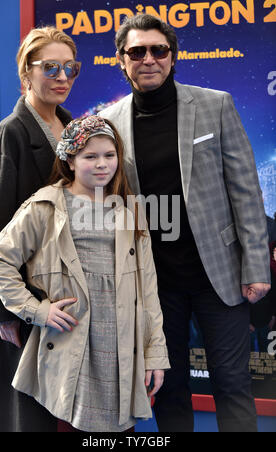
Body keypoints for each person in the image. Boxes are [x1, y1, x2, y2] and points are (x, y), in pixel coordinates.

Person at [99, 14, 271, 432]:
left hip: (220, 274)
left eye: (158, 50)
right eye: (136, 51)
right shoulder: (109, 122)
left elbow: (246, 192)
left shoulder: (215, 104)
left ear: (172, 57)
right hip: (156, 284)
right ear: (122, 61)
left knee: (231, 383)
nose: (148, 59)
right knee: (170, 387)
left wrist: (256, 267)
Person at [0, 115, 170, 432]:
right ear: (70, 160)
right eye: (90, 156)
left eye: (109, 155)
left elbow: (147, 291)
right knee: (71, 423)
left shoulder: (129, 212)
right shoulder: (45, 207)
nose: (102, 164)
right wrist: (36, 310)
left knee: (121, 428)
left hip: (123, 347)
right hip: (73, 344)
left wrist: (154, 355)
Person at [0, 26, 80, 432]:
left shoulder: (75, 131)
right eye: (50, 67)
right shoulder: (11, 134)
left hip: (65, 298)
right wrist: (3, 310)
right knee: (25, 414)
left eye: (70, 68)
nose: (62, 77)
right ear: (25, 75)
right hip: (22, 302)